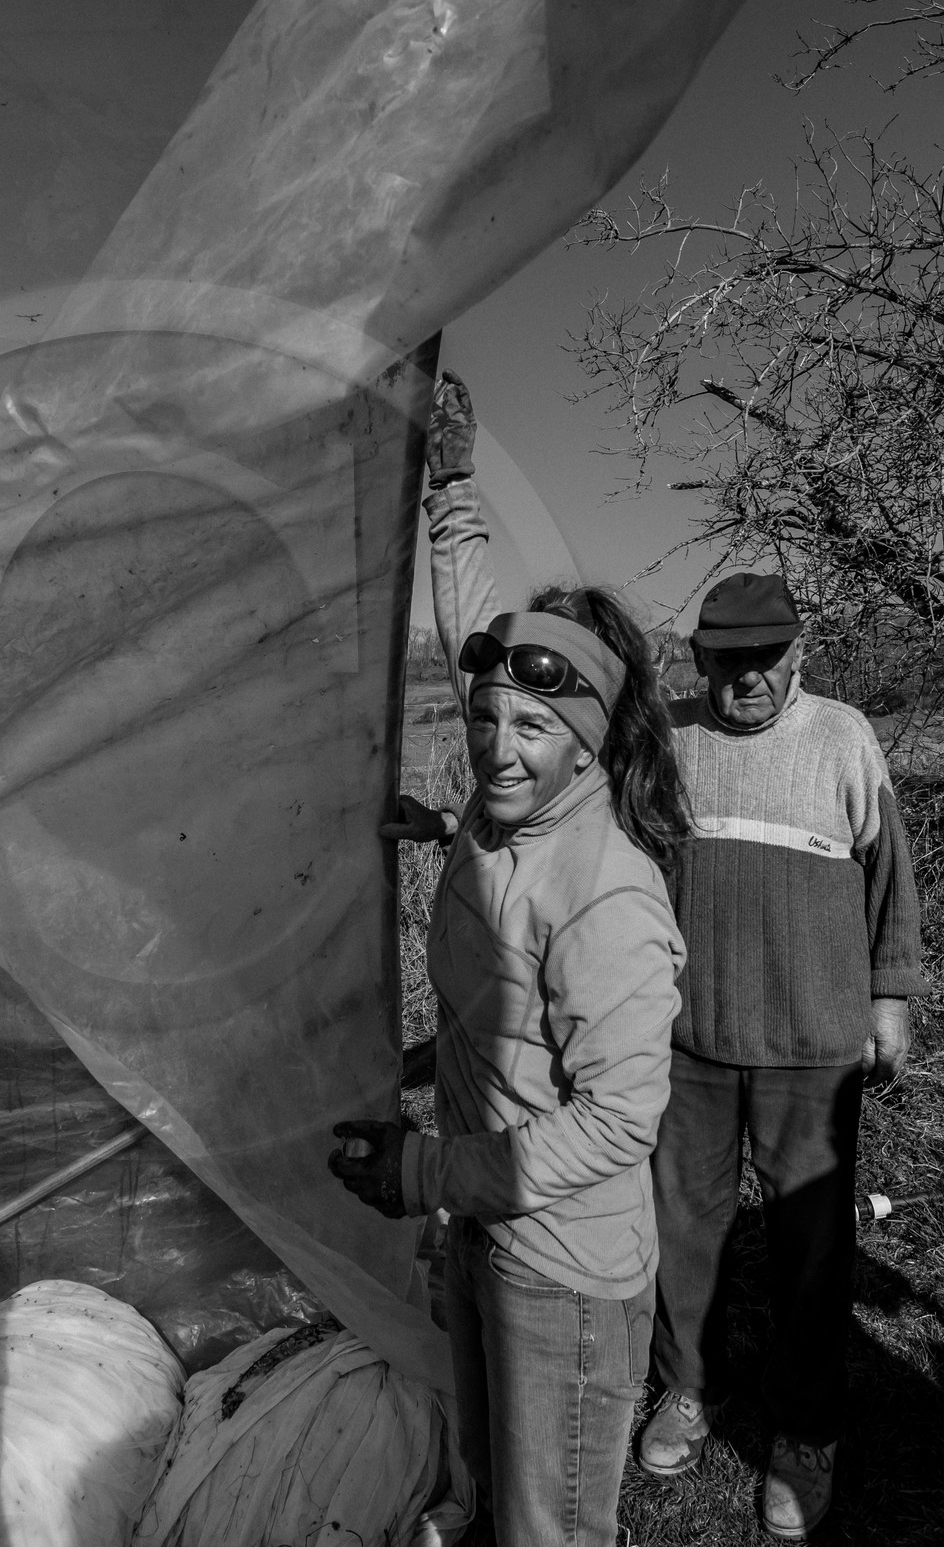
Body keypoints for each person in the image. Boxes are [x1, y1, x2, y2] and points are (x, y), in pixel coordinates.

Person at [331, 370, 688, 1547]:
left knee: (553, 1529)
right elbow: (462, 617)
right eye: (484, 718)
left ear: (587, 744)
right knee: (488, 1489)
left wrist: (427, 1172)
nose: (494, 744)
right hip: (486, 1229)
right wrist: (449, 488)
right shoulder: (497, 829)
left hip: (565, 1272)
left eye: (531, 727)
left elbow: (617, 1123)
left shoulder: (609, 897)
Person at [635, 571, 925, 1538]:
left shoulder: (843, 736)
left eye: (767, 658)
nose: (748, 679)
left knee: (811, 1241)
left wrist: (891, 999)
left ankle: (806, 1426)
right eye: (728, 660)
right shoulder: (667, 739)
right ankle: (689, 1386)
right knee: (685, 1225)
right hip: (690, 1039)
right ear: (698, 659)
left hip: (812, 1041)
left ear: (800, 654)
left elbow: (891, 877)